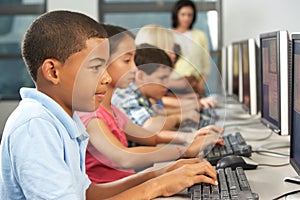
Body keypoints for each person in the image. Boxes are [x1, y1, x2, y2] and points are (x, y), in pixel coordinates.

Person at [0, 10, 219, 199]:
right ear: (53, 72)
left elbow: (87, 194)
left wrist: (162, 173)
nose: (106, 78)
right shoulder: (36, 125)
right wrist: (158, 186)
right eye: (95, 67)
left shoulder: (65, 118)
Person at [77, 24, 224, 184]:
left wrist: (189, 137)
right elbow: (125, 158)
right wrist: (184, 151)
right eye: (127, 60)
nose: (134, 68)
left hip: (127, 185)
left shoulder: (112, 110)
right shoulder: (91, 115)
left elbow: (150, 136)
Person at [171, 0, 216, 101]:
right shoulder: (167, 35)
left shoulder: (200, 36)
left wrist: (200, 84)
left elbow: (206, 64)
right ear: (176, 15)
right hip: (174, 86)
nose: (186, 18)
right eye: (183, 14)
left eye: (189, 15)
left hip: (194, 85)